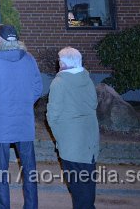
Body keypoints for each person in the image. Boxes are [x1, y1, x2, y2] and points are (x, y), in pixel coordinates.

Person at [0, 24, 43, 209]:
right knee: (29, 169)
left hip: (0, 122)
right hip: (24, 122)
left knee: (0, 170)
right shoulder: (29, 58)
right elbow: (37, 88)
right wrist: (23, 103)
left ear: (1, 38)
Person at [47, 47, 99, 209]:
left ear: (62, 63)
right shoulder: (87, 79)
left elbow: (52, 116)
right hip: (90, 139)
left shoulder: (59, 83)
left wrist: (60, 137)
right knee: (88, 185)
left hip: (71, 144)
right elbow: (93, 104)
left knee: (78, 189)